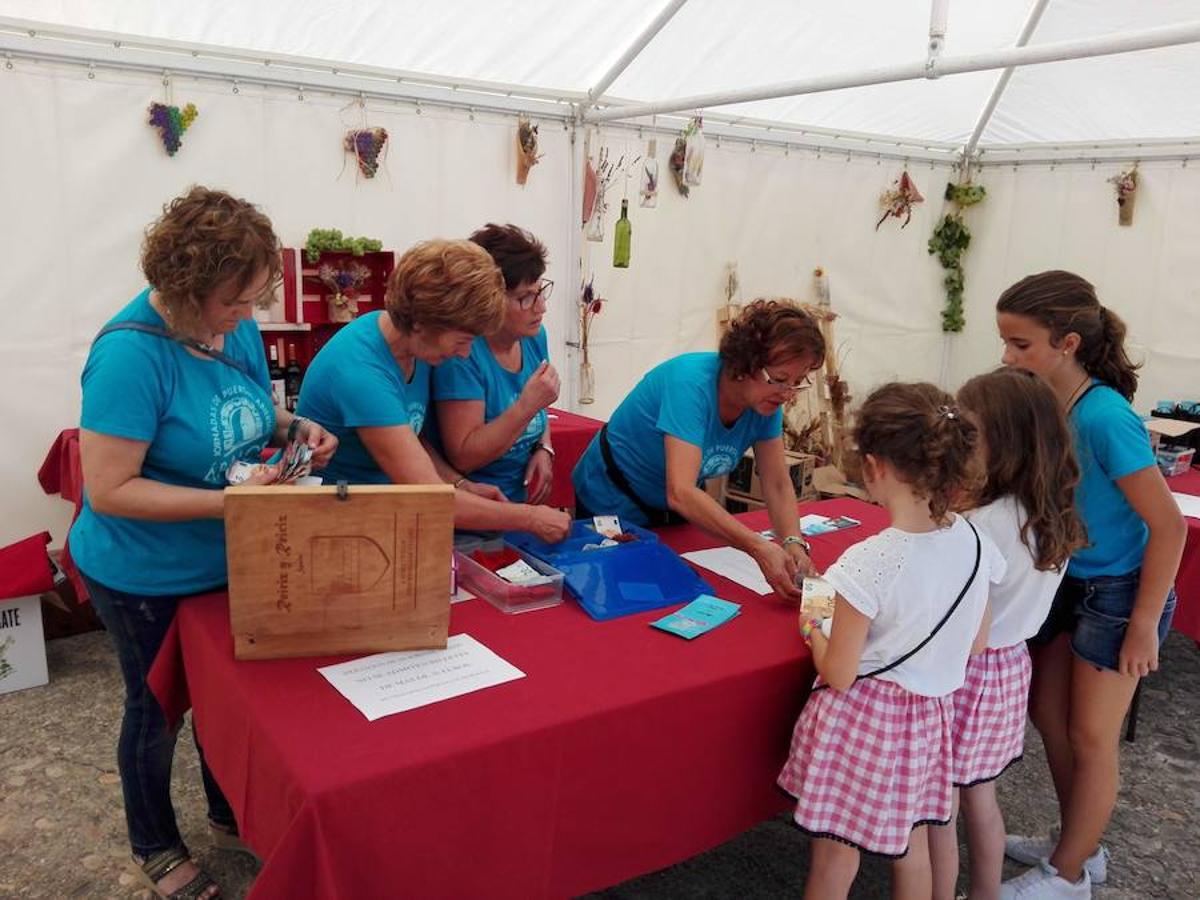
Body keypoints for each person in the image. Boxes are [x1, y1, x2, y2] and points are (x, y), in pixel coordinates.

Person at [70, 186, 338, 899]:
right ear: (184, 285)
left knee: (227, 698)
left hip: (225, 552)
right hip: (142, 572)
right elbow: (111, 489)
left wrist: (295, 429)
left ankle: (228, 812)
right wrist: (232, 503)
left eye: (253, 301)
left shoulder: (232, 325)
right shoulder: (130, 357)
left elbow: (255, 407)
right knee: (157, 706)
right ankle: (155, 843)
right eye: (233, 302)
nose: (246, 318)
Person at [994, 271, 1185, 899]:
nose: (1008, 357)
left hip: (1120, 593)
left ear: (1068, 342)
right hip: (1068, 583)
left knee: (1092, 736)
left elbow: (1169, 526)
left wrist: (1142, 623)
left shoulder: (1105, 417)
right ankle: (1080, 843)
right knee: (1047, 714)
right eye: (1006, 343)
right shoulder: (1048, 403)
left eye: (1021, 344)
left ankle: (1069, 874)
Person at [777, 382, 1006, 900]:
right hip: (927, 724)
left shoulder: (869, 561)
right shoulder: (975, 542)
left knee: (837, 855)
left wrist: (813, 616)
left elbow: (839, 672)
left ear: (874, 466)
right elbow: (976, 643)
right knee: (913, 844)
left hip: (866, 725)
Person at [927, 368, 1087, 900]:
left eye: (969, 433)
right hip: (1009, 668)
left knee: (940, 804)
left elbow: (940, 607)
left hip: (962, 672)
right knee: (981, 796)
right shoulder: (1049, 517)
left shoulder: (976, 526)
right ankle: (986, 893)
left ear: (1002, 441)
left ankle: (940, 890)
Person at [297, 238, 571, 542]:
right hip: (330, 525)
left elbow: (413, 439)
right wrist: (531, 518)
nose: (466, 354)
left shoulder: (416, 349)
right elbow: (428, 492)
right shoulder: (362, 371)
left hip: (376, 513)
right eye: (462, 340)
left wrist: (459, 485)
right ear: (421, 322)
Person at [571, 300, 824, 599]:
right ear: (745, 363)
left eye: (797, 383)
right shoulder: (690, 384)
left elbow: (777, 482)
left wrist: (793, 542)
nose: (788, 394)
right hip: (612, 496)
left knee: (676, 589)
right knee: (623, 595)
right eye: (780, 379)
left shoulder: (766, 401)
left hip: (671, 508)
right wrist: (757, 546)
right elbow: (681, 491)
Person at [433, 224, 558, 503]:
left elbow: (537, 401)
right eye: (526, 297)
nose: (541, 307)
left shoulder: (533, 337)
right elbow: (465, 456)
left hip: (515, 503)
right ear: (488, 300)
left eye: (541, 291)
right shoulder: (462, 353)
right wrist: (526, 406)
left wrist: (543, 446)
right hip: (472, 511)